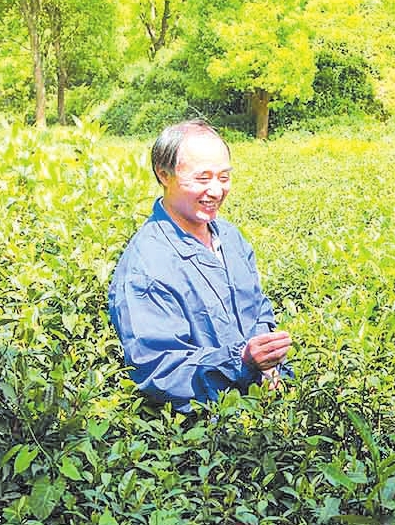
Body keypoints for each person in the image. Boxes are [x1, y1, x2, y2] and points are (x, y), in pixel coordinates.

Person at [106, 120, 291, 409]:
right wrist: (240, 361)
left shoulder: (230, 237)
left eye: (224, 177)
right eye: (202, 178)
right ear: (164, 175)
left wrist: (268, 360)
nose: (216, 191)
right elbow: (157, 369)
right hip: (203, 432)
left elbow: (257, 308)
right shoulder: (146, 265)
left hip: (261, 410)